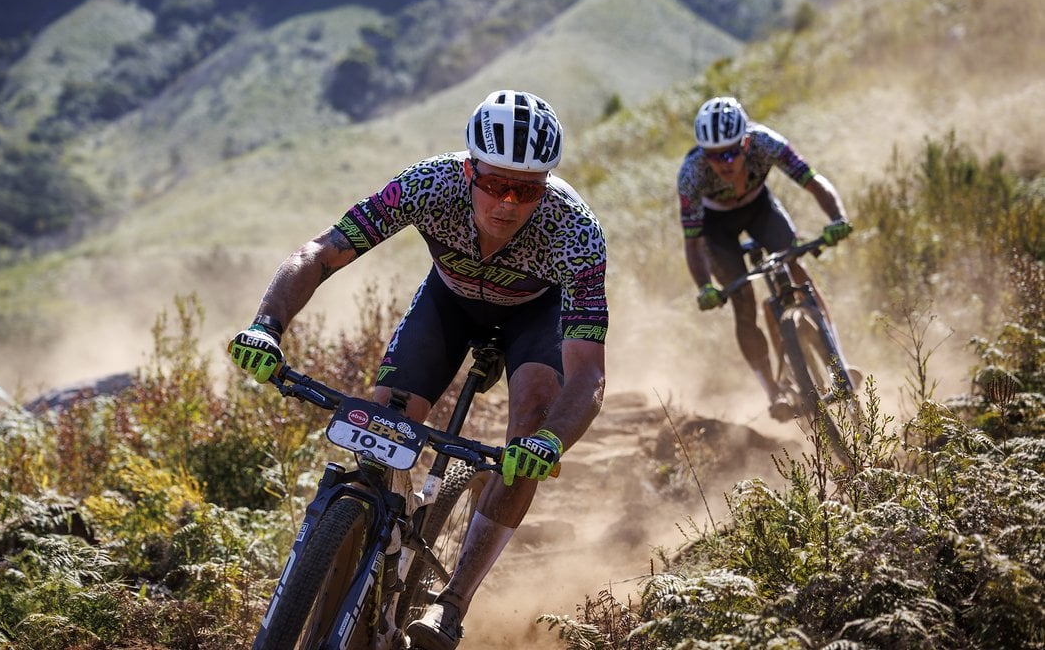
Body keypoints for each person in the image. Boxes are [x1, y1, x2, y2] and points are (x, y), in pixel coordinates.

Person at [229, 89, 608, 650]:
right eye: (494, 182)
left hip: (535, 314)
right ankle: (373, 531)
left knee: (527, 432)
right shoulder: (429, 185)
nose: (507, 202)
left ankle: (451, 605)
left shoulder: (575, 232)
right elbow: (322, 252)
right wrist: (266, 325)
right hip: (450, 301)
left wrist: (551, 440)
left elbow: (588, 375)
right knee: (384, 420)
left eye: (526, 189)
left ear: (545, 185)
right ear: (467, 169)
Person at [676, 96, 853, 421]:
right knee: (742, 301)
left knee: (794, 266)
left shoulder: (766, 143)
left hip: (760, 209)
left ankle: (837, 360)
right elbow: (694, 241)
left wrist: (836, 218)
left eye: (731, 151)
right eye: (714, 155)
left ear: (746, 141)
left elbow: (813, 181)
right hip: (718, 229)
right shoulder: (691, 174)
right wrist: (704, 286)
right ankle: (773, 391)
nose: (724, 162)